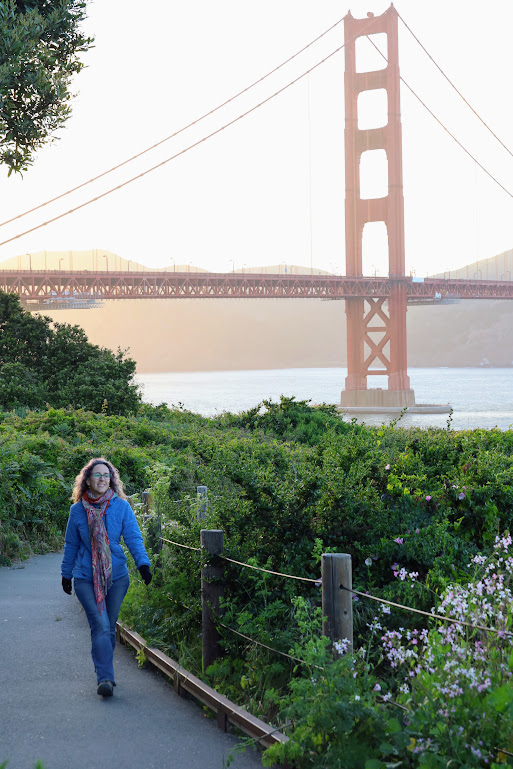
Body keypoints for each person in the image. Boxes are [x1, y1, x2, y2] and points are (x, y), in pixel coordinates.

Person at [61, 458, 152, 697]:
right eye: (97, 475)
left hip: (117, 577)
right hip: (85, 577)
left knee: (109, 627)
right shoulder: (77, 510)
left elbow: (133, 538)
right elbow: (71, 544)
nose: (102, 479)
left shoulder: (121, 506)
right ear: (87, 480)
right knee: (100, 625)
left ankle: (105, 671)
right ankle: (105, 679)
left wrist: (143, 564)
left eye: (106, 475)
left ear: (111, 480)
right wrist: (65, 574)